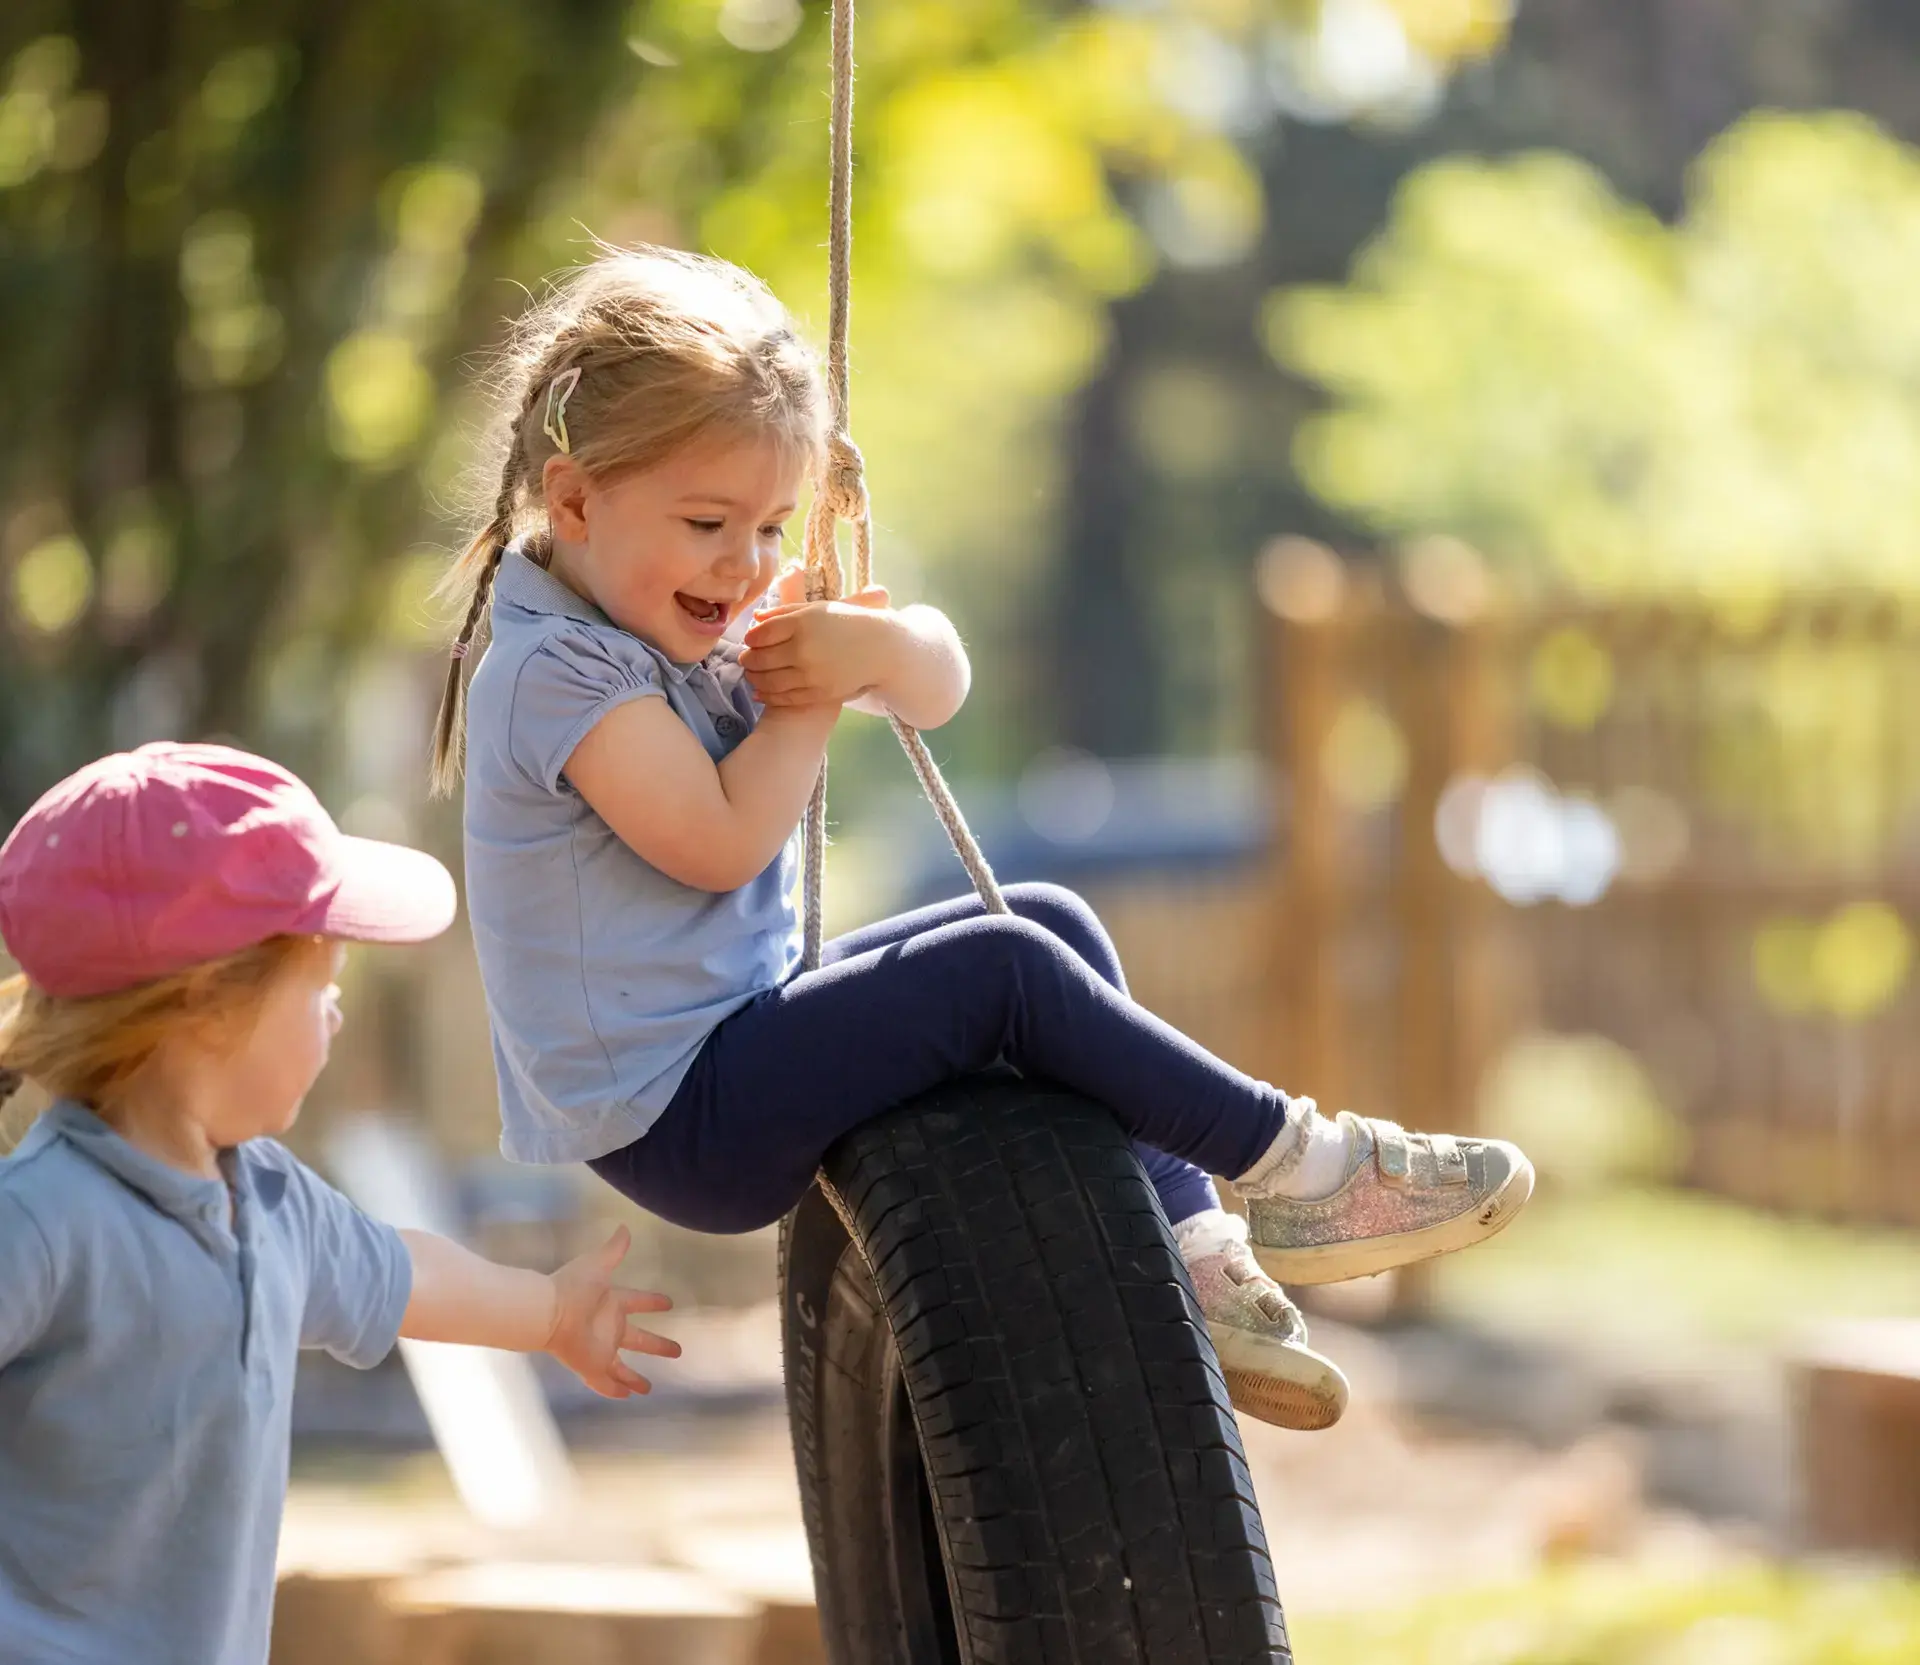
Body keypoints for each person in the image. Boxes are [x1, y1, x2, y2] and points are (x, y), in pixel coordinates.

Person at [435, 245, 1533, 1434]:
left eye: (770, 527)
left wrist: (888, 653)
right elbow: (716, 846)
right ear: (579, 499)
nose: (745, 565)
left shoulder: (673, 609)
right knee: (1002, 973)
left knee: (1046, 920)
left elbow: (939, 683)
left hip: (731, 1050)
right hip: (678, 1120)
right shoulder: (552, 669)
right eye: (709, 522)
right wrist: (808, 701)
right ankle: (1299, 1166)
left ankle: (1197, 1251)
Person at [0, 744, 679, 1665]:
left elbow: (404, 1271)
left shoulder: (273, 1200)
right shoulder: (42, 1222)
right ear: (206, 1006)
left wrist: (549, 1311)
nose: (336, 1015)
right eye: (322, 986)